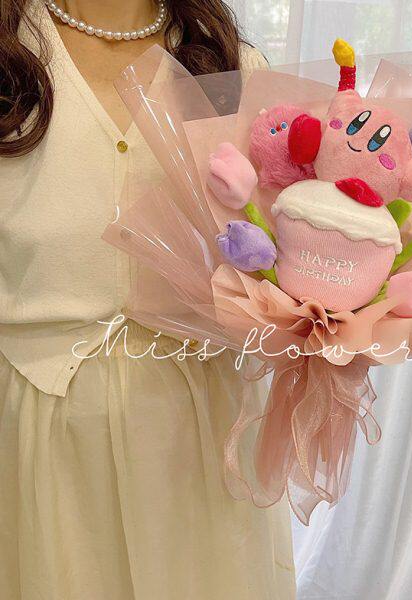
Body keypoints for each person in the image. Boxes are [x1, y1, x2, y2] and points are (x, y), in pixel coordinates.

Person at [0, 1, 296, 598]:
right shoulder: (12, 56)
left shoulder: (227, 65)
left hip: (199, 433)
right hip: (31, 423)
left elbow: (279, 243)